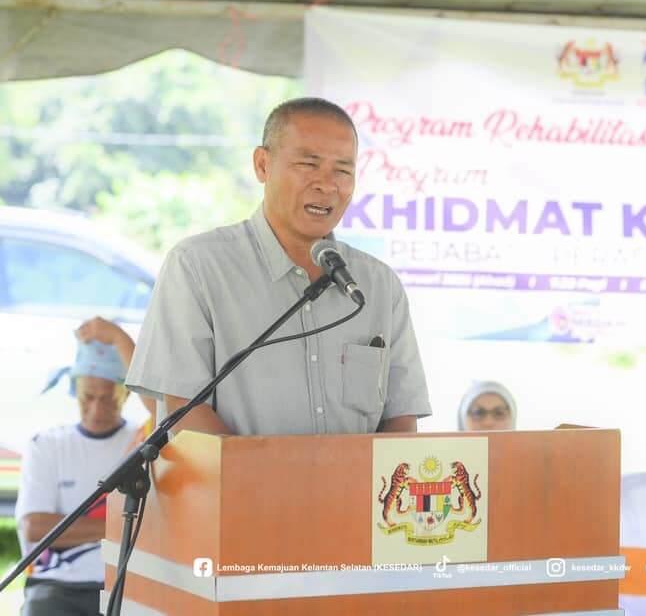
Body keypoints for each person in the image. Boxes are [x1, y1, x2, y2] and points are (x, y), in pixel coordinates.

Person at [125, 98, 430, 436]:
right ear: (262, 165)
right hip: (234, 475)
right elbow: (184, 411)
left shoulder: (379, 286)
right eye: (308, 164)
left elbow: (401, 418)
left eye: (343, 171)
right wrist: (269, 470)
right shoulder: (197, 267)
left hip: (355, 476)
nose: (327, 184)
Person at [15, 318, 151, 616]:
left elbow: (159, 400)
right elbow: (35, 527)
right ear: (75, 389)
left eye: (108, 399)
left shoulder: (142, 442)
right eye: (88, 397)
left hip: (124, 581)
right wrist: (126, 525)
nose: (97, 410)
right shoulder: (46, 444)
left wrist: (74, 528)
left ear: (127, 393)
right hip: (56, 585)